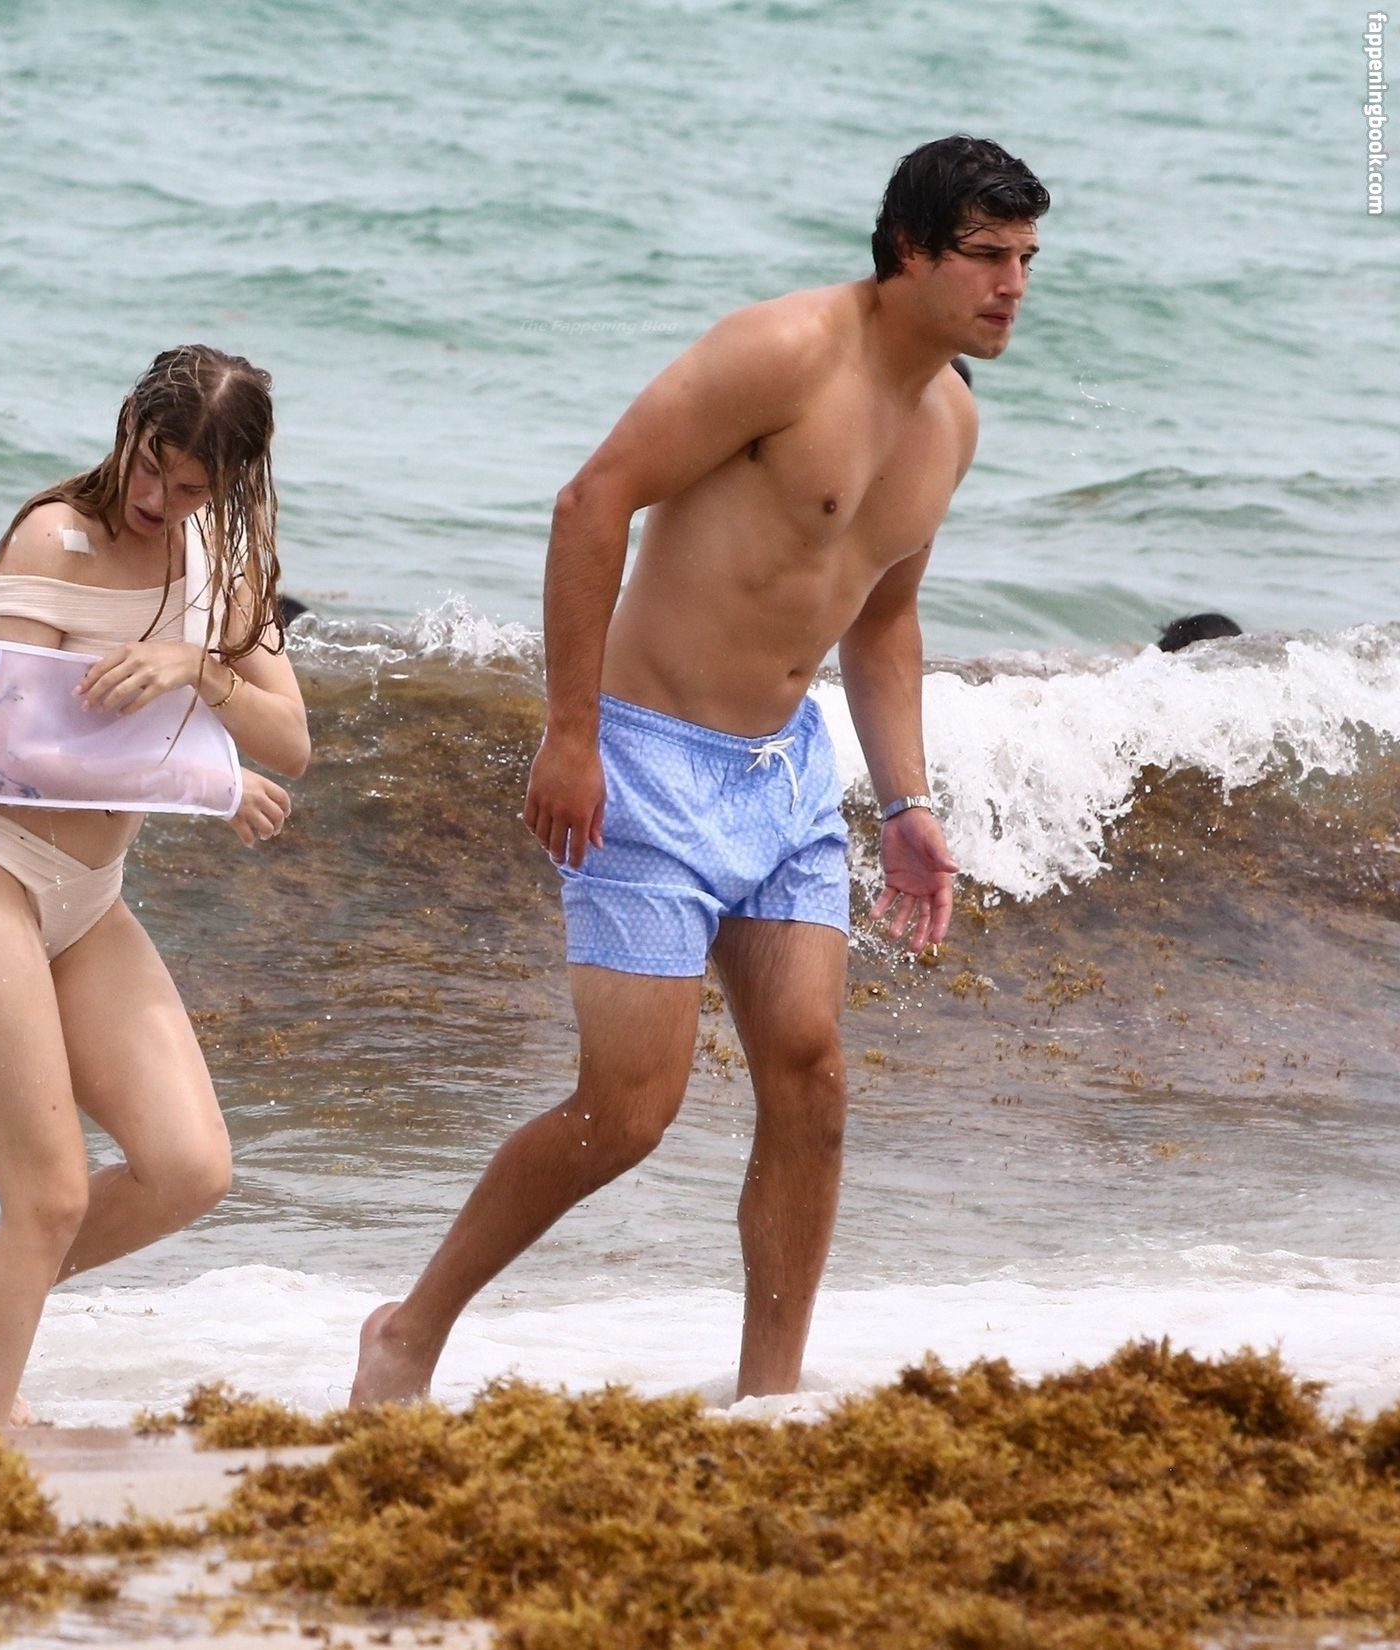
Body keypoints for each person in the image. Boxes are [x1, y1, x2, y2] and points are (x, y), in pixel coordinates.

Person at [351, 136, 1048, 1406]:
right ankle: (409, 1329)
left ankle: (769, 1400)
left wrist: (906, 803)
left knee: (811, 1075)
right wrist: (572, 733)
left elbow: (884, 623)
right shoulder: (782, 353)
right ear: (909, 252)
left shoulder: (950, 422)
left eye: (1027, 261)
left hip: (785, 772)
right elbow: (592, 501)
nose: (1013, 286)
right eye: (988, 257)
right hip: (647, 759)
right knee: (628, 1111)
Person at [0, 345, 310, 1427]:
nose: (157, 499)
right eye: (150, 464)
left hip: (89, 902)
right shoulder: (52, 538)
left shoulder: (221, 566)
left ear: (230, 486)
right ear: (129, 423)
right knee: (48, 1195)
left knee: (188, 1168)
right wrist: (212, 783)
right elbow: (12, 750)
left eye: (190, 488)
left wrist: (200, 669)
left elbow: (292, 739)